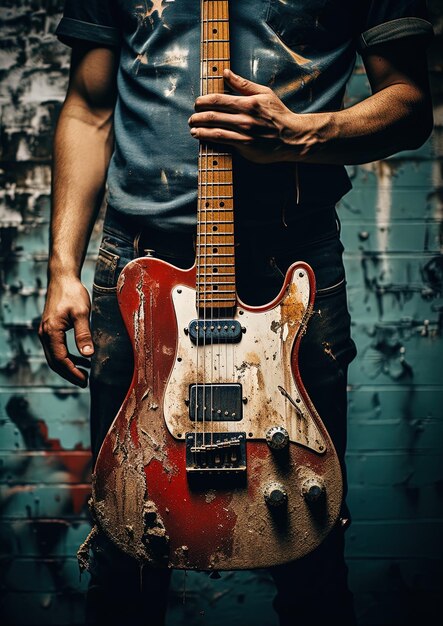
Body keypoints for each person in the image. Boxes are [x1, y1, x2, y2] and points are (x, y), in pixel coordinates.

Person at [39, 1, 433, 624]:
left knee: (310, 550)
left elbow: (409, 100)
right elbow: (88, 108)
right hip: (138, 271)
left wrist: (301, 133)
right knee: (127, 550)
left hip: (291, 267)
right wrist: (62, 267)